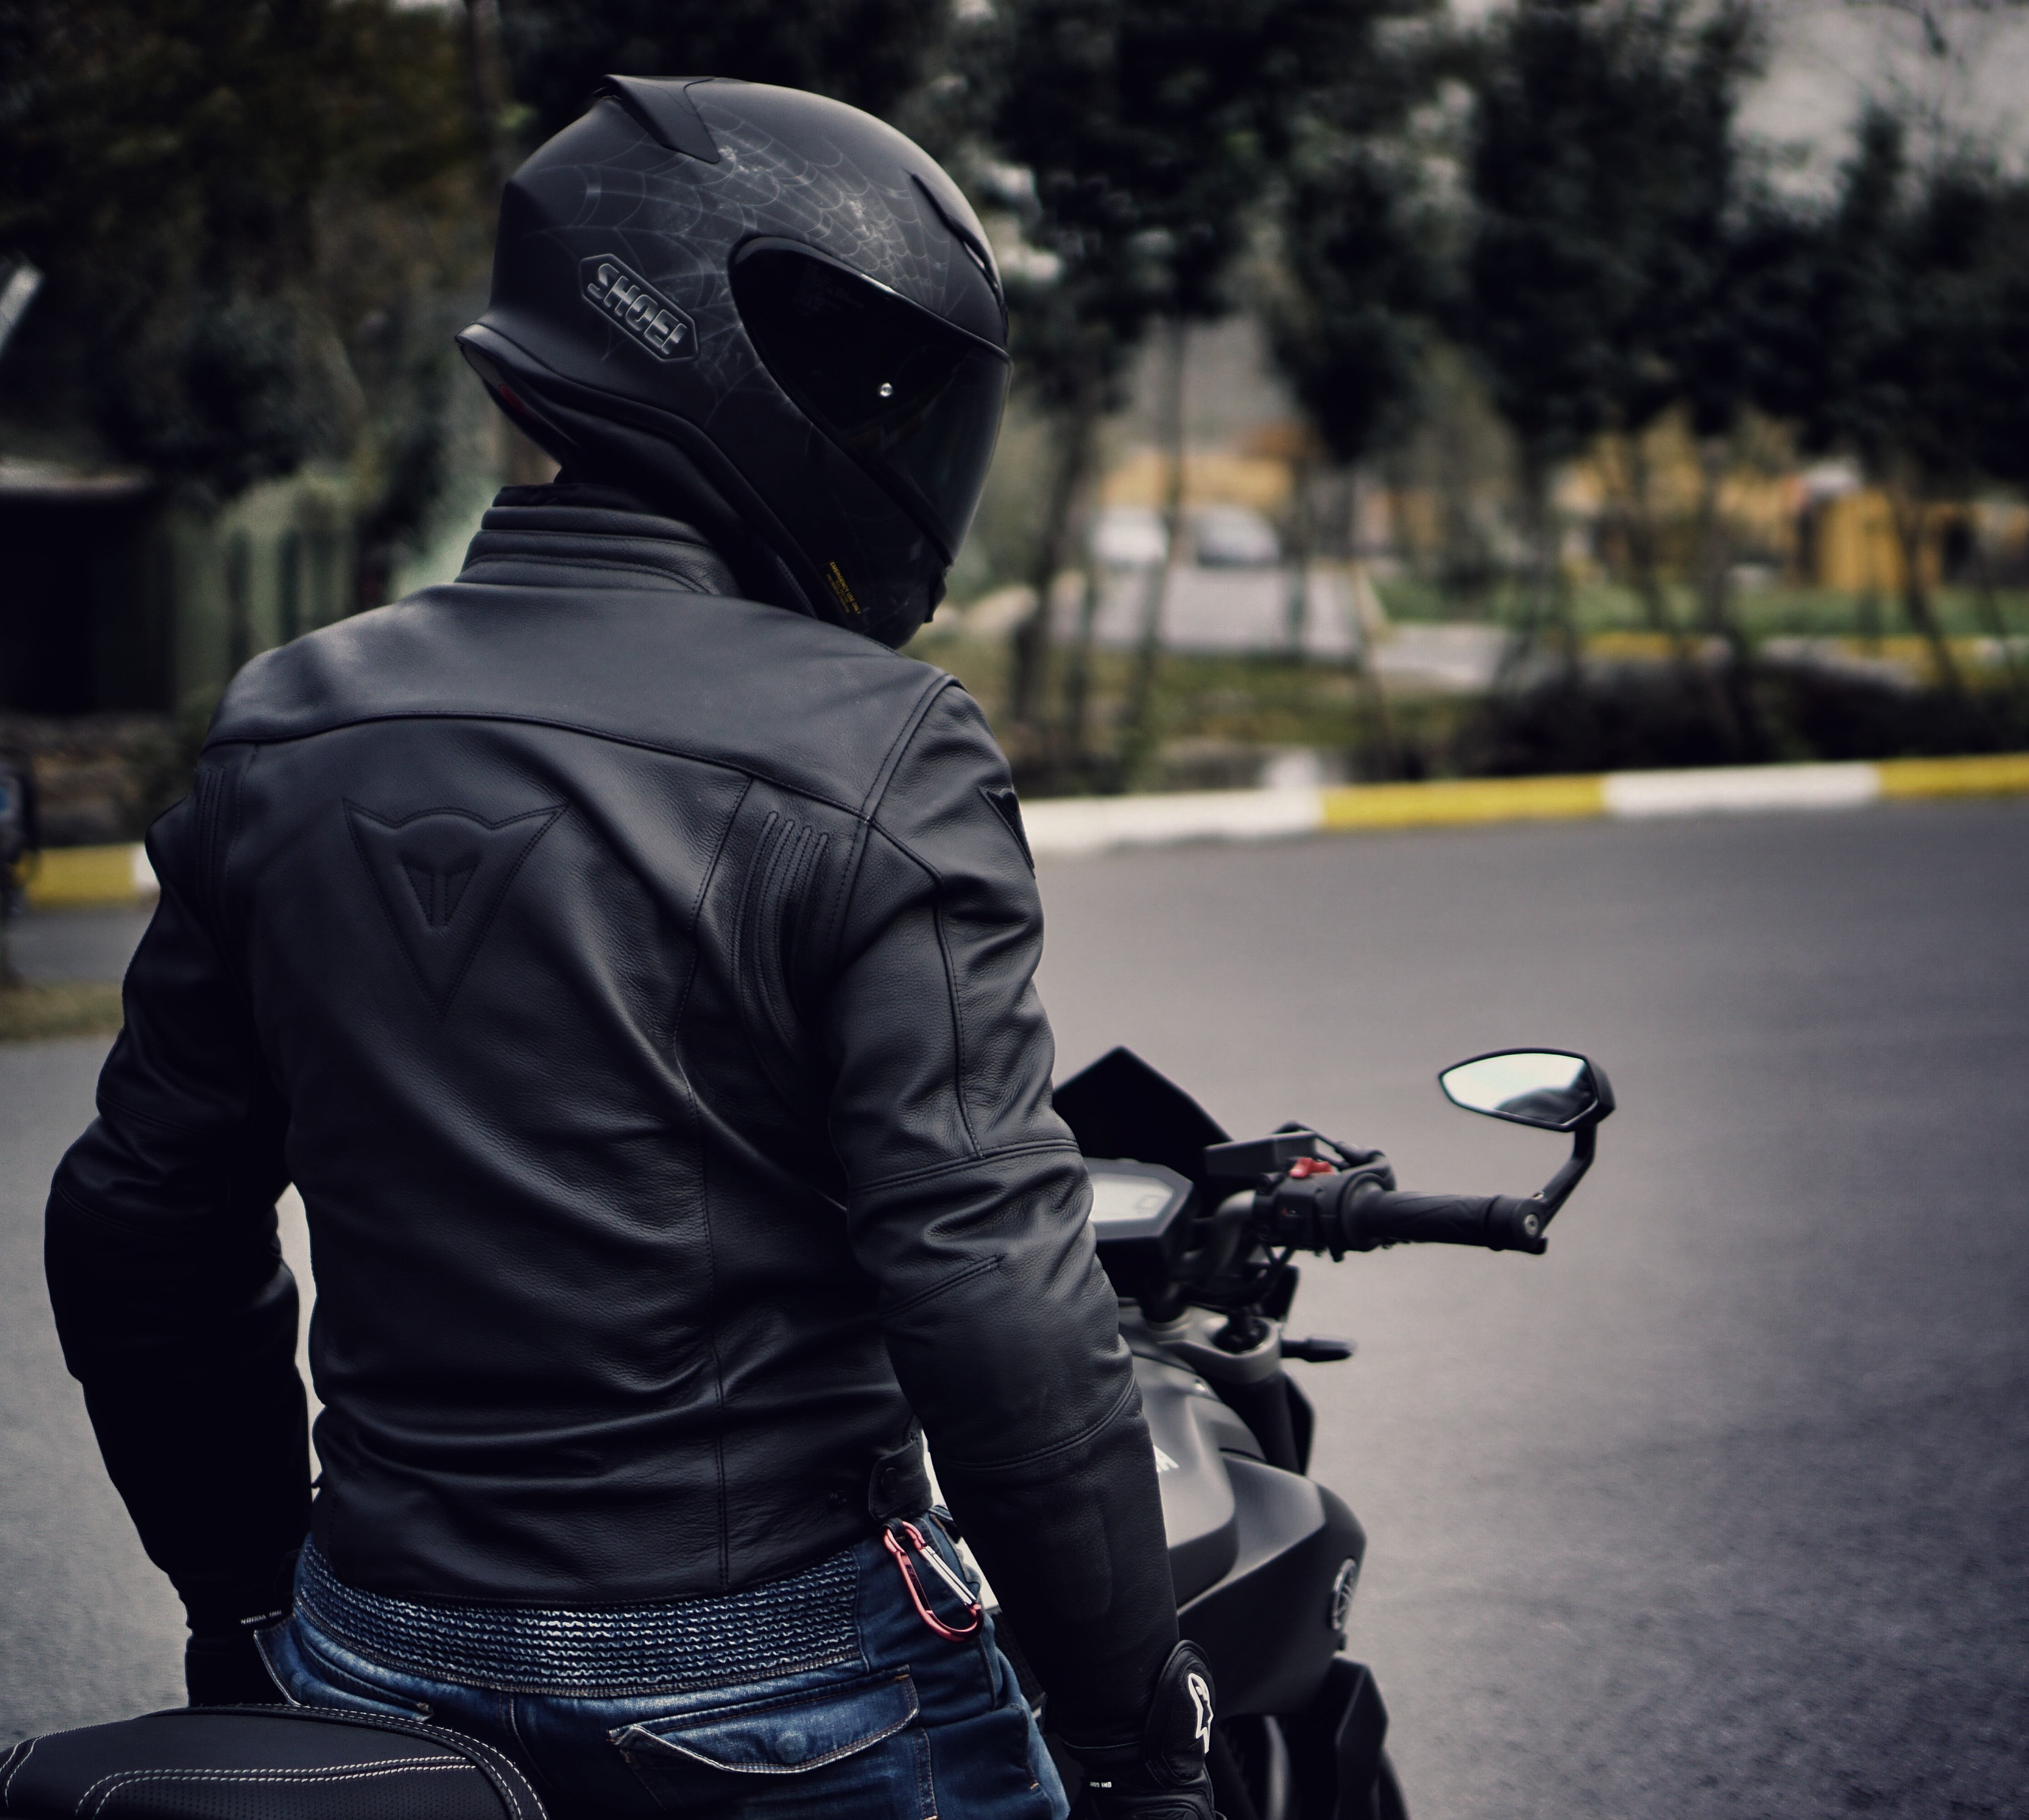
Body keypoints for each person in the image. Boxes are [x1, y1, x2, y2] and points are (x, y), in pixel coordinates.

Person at [44, 78, 1214, 1820]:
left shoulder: (286, 722)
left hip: (375, 1655)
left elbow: (141, 1225)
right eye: (880, 383)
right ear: (742, 364)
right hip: (791, 1677)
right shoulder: (881, 745)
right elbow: (992, 1294)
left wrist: (247, 1602)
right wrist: (1133, 1730)